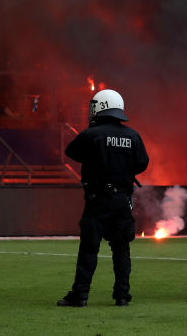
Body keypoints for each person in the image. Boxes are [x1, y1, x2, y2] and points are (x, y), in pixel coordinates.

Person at [57, 89, 149, 308]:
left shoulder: (92, 135)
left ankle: (80, 296)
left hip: (97, 201)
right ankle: (122, 296)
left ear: (100, 107)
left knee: (89, 249)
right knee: (121, 249)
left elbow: (71, 152)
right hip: (122, 201)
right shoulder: (133, 135)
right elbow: (142, 164)